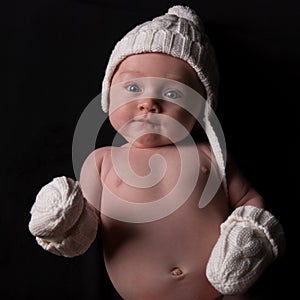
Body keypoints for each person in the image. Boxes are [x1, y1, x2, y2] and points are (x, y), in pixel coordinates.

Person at [28, 5, 285, 300]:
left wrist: (248, 238)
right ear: (109, 95)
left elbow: (249, 199)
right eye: (133, 86)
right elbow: (85, 230)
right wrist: (64, 220)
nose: (148, 102)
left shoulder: (211, 155)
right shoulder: (103, 163)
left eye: (173, 93)